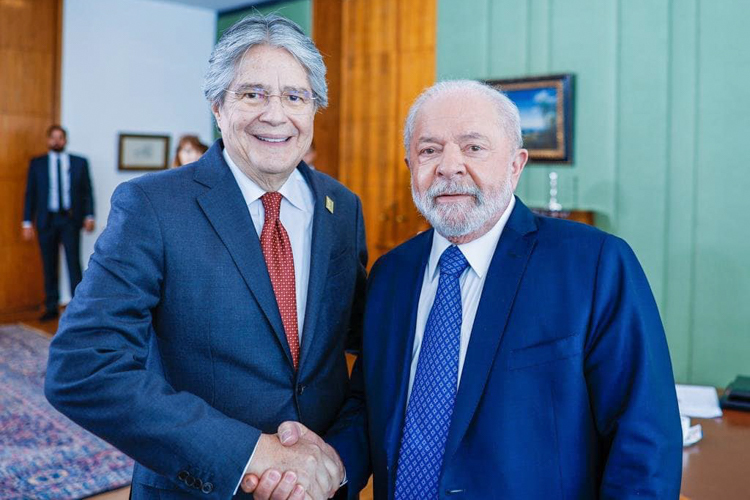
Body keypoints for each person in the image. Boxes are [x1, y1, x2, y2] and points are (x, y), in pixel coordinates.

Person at [255, 80, 683, 499]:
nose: (449, 166)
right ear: (410, 167)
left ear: (515, 165)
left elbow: (645, 443)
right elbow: (371, 406)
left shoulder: (594, 264)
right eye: (429, 150)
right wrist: (329, 467)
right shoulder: (391, 275)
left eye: (473, 147)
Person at [45, 14, 366, 500]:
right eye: (252, 94)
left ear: (314, 109)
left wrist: (339, 459)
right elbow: (82, 366)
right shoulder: (153, 205)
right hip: (198, 490)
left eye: (295, 97)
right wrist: (249, 454)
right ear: (218, 106)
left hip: (322, 487)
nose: (275, 115)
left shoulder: (341, 207)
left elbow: (366, 344)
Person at [22, 125, 95, 321]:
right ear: (48, 140)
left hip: (70, 220)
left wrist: (89, 216)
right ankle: (51, 306)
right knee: (49, 265)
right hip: (47, 220)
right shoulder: (37, 164)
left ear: (65, 140)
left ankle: (79, 308)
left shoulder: (79, 162)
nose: (56, 141)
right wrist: (27, 222)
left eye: (60, 137)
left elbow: (87, 191)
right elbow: (30, 194)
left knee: (73, 263)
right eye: (53, 137)